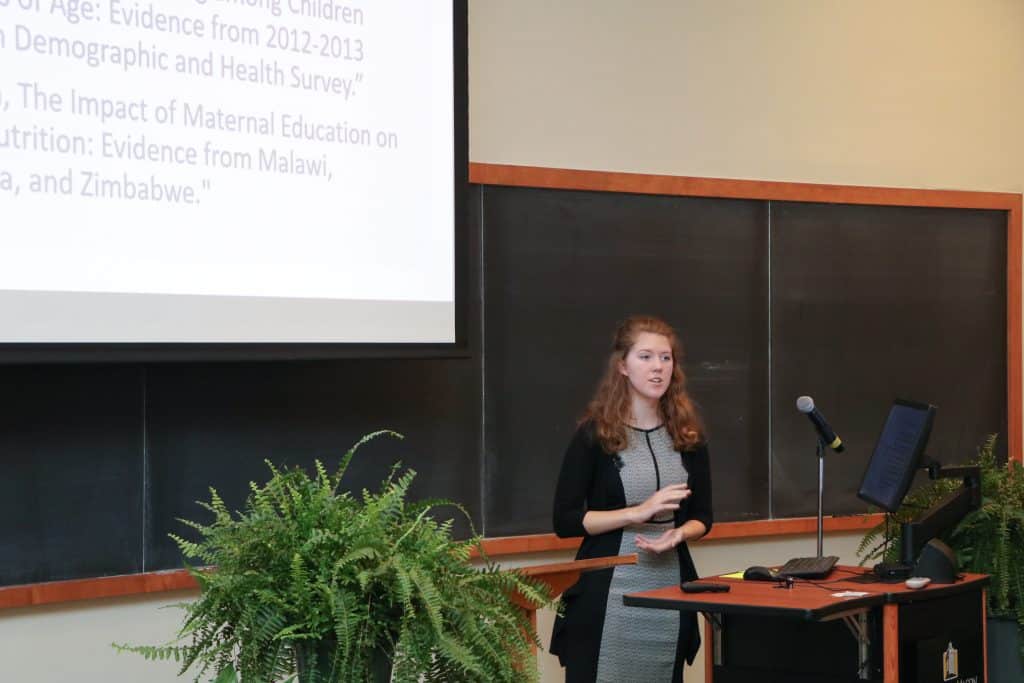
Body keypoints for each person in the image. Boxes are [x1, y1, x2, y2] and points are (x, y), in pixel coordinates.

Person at [550, 315, 713, 683]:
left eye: (666, 358)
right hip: (608, 591)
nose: (658, 367)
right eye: (645, 357)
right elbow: (566, 520)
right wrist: (638, 512)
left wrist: (680, 533)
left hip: (670, 589)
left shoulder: (687, 436)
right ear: (622, 366)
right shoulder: (594, 435)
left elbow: (704, 515)